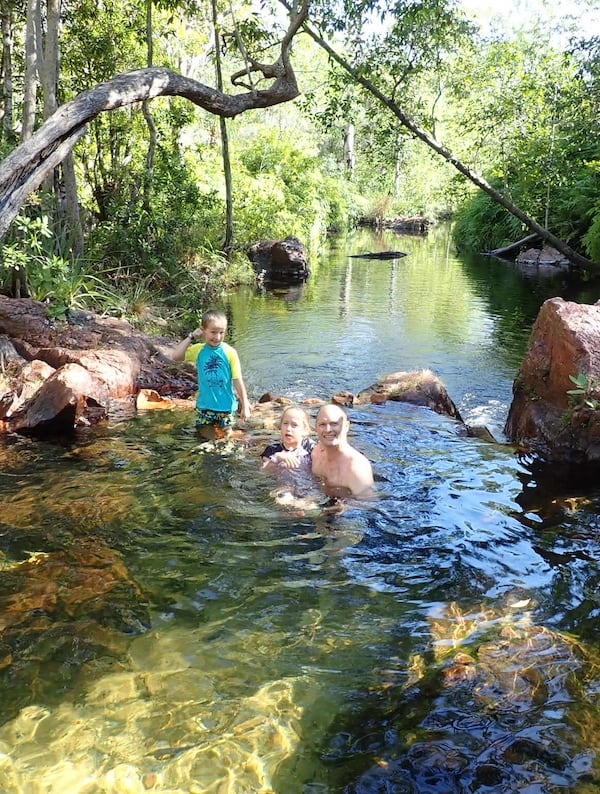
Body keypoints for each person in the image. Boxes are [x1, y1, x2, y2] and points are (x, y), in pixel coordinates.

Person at [170, 309, 251, 438]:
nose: (217, 337)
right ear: (203, 330)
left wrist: (245, 404)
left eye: (221, 332)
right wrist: (191, 337)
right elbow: (176, 356)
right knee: (203, 440)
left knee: (226, 441)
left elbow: (237, 379)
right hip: (204, 407)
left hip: (226, 408)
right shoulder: (199, 350)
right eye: (213, 332)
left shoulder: (230, 353)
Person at [311, 403, 375, 499]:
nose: (328, 429)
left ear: (346, 426)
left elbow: (368, 505)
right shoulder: (316, 453)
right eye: (322, 424)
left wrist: (342, 508)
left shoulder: (357, 467)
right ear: (316, 427)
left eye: (334, 424)